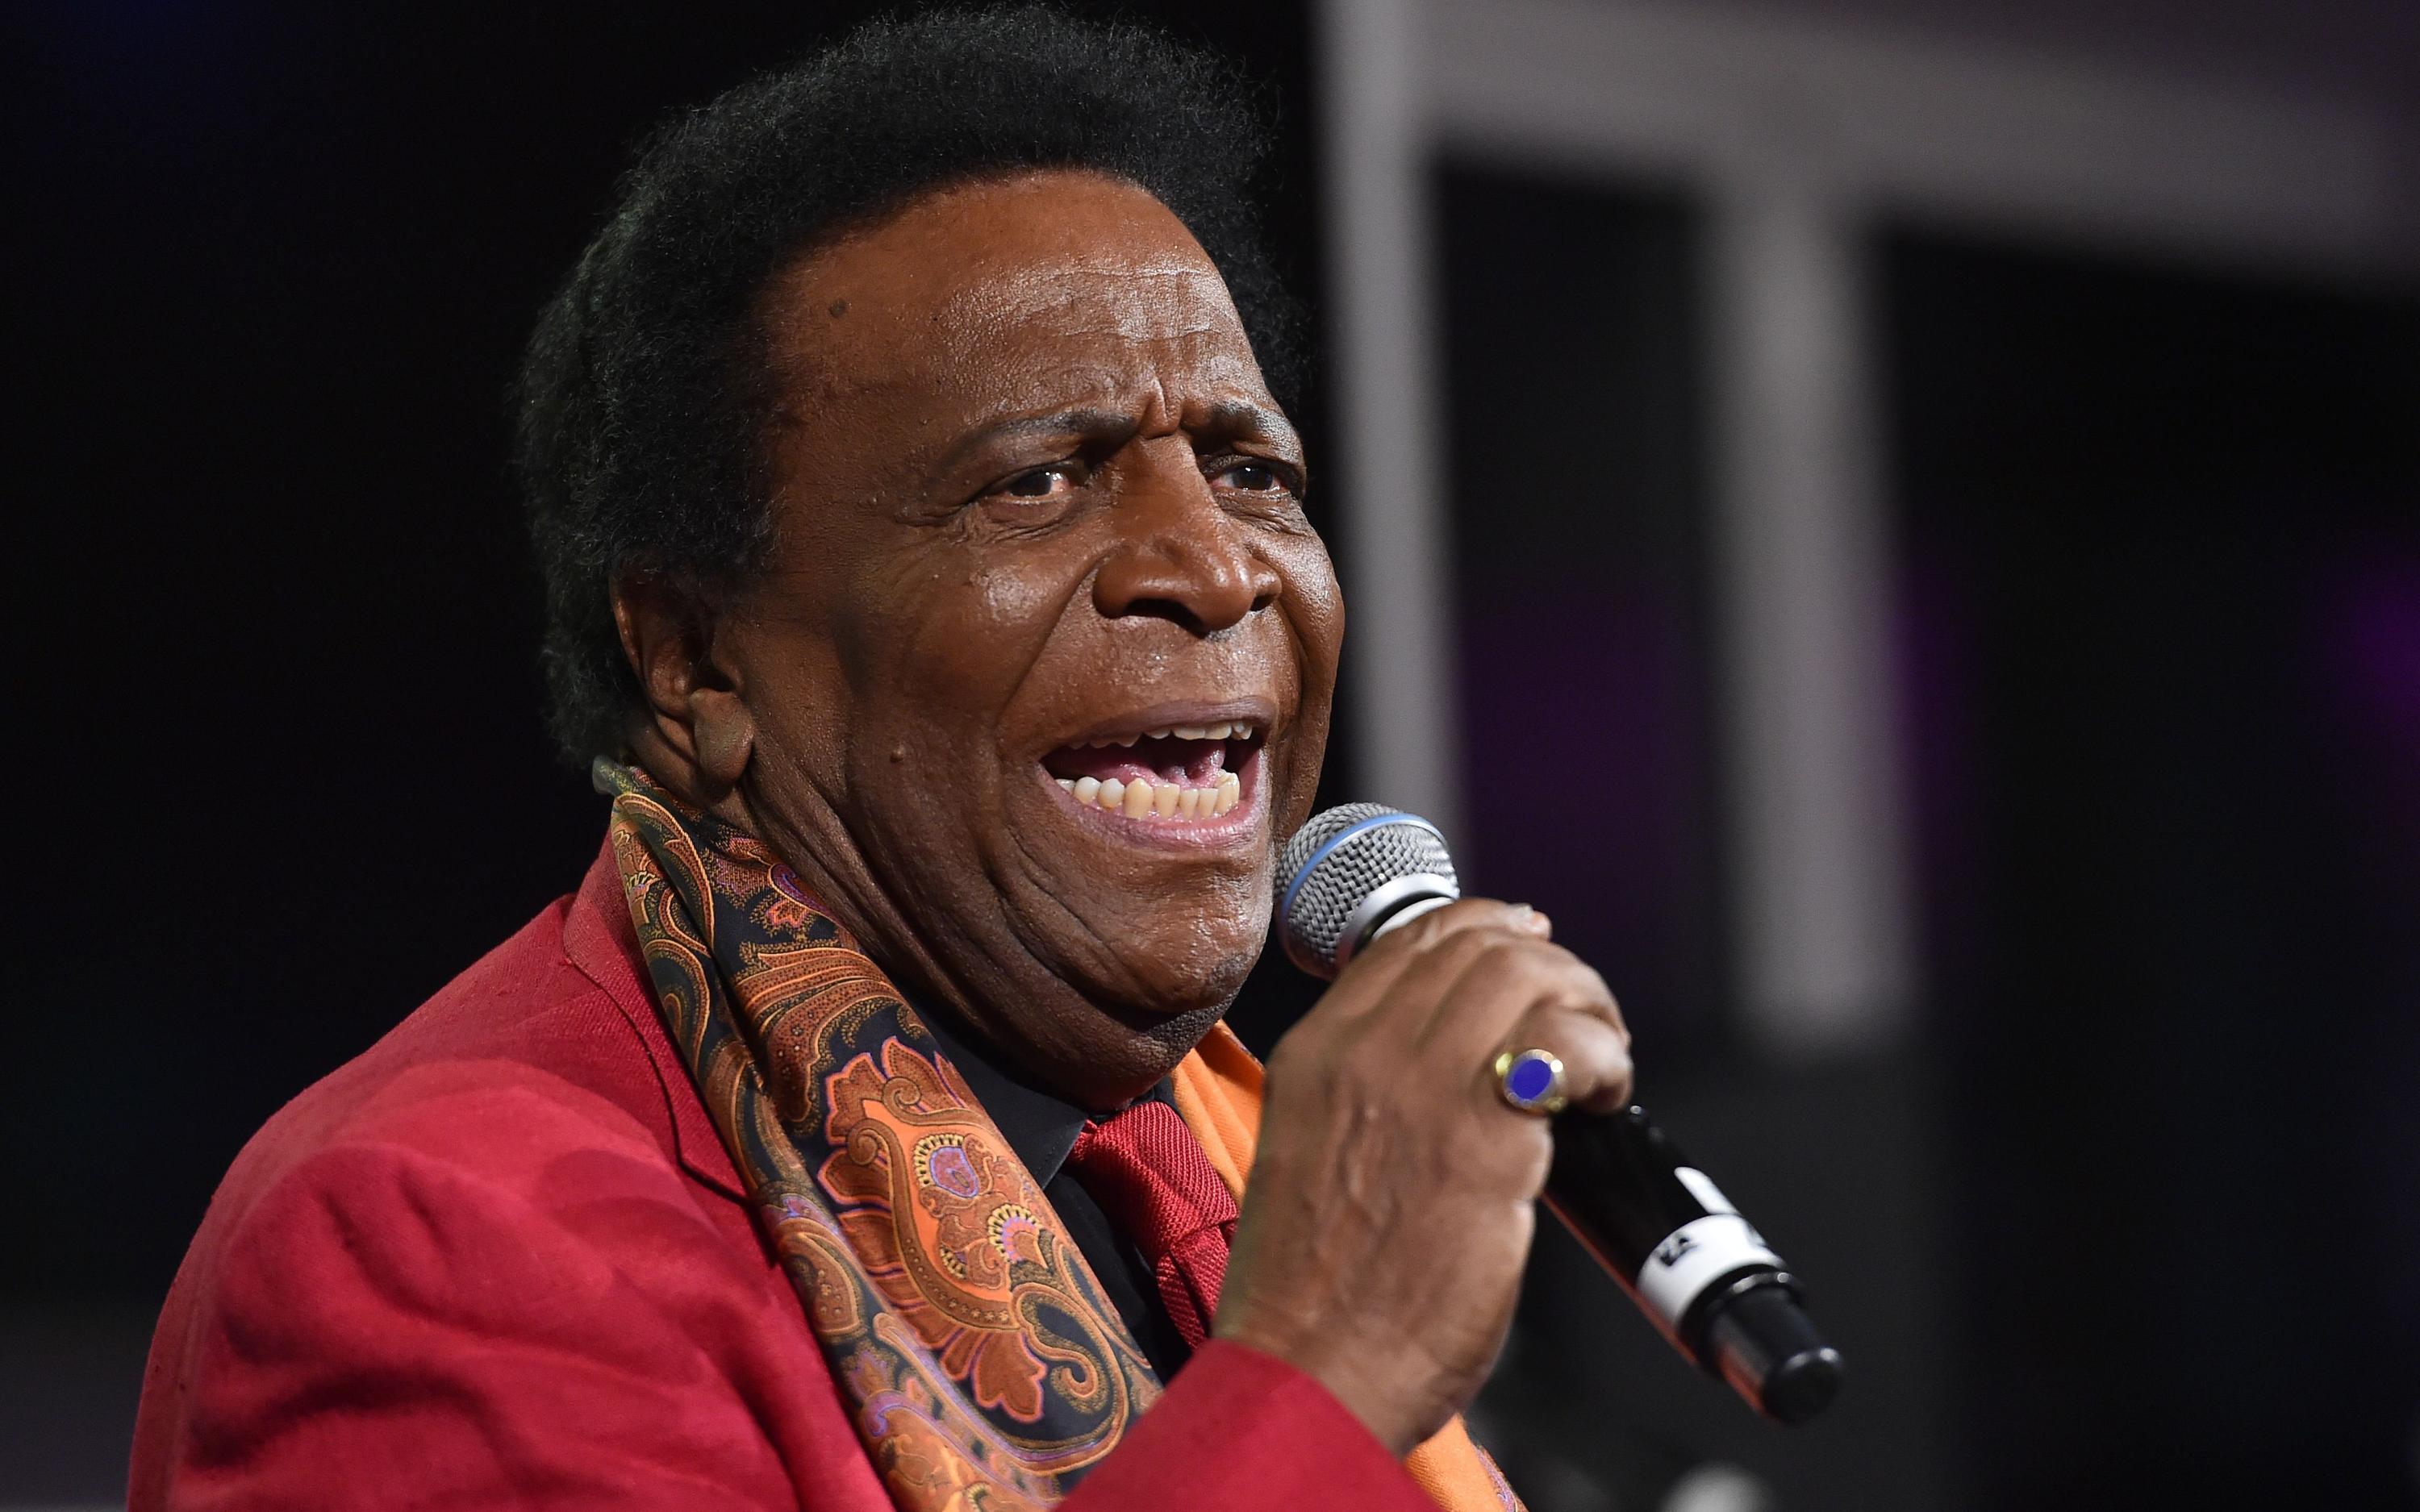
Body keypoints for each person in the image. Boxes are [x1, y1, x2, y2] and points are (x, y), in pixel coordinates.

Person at [128, 10, 1633, 1510]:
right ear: (694, 660)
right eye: (1035, 481)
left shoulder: (1232, 1145)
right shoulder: (441, 1238)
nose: (1216, 566)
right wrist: (1321, 1374)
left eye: (1253, 472)